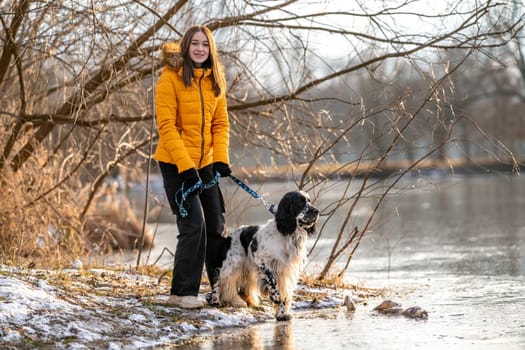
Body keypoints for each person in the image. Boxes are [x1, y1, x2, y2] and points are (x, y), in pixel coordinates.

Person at [153, 25, 232, 309]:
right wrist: (187, 168)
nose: (200, 49)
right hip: (176, 164)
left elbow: (220, 124)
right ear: (186, 47)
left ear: (211, 49)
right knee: (193, 225)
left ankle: (222, 291)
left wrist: (220, 158)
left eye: (205, 44)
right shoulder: (169, 79)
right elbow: (166, 127)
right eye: (194, 44)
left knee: (216, 225)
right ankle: (182, 293)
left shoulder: (215, 80)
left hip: (207, 164)